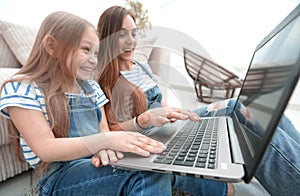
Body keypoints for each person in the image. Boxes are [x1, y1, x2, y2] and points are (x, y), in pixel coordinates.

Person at [0, 11, 223, 196]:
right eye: (85, 50)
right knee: (147, 174)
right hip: (58, 176)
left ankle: (225, 189)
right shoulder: (23, 88)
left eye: (96, 53)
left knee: (154, 161)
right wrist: (107, 141)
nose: (94, 60)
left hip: (96, 162)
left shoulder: (91, 89)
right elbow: (46, 149)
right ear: (51, 46)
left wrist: (106, 147)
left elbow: (104, 133)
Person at [94, 5, 300, 196]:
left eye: (134, 33)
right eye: (122, 35)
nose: (131, 41)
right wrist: (144, 119)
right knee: (236, 109)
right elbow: (109, 134)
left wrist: (170, 111)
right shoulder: (102, 77)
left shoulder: (140, 66)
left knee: (252, 109)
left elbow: (158, 102)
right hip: (149, 135)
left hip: (170, 125)